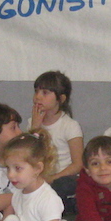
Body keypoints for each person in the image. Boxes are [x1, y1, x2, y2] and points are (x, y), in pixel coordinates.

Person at [31, 70, 84, 203]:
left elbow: (78, 164)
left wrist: (53, 178)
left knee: (63, 186)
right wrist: (35, 128)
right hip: (39, 177)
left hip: (63, 178)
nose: (38, 97)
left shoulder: (70, 125)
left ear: (61, 99)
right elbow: (27, 155)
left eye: (45, 93)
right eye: (36, 91)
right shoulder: (31, 123)